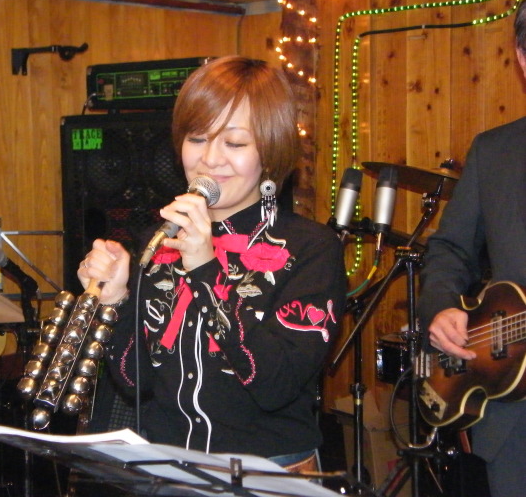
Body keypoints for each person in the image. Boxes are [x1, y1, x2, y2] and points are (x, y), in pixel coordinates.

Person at [76, 56, 347, 472]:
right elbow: (135, 383)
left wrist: (206, 268)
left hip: (269, 472)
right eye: (197, 139)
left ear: (270, 152)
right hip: (171, 469)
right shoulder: (161, 240)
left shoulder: (312, 248)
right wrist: (116, 300)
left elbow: (275, 386)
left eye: (235, 144)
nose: (210, 159)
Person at [417, 0, 526, 497]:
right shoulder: (493, 151)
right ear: (522, 58)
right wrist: (441, 307)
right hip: (512, 416)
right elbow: (449, 248)